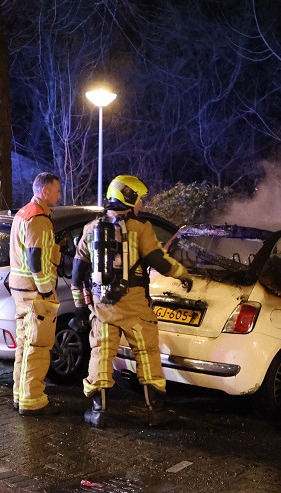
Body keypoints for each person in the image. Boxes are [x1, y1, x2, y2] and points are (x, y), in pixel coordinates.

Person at [70, 175, 193, 427]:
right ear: (129, 197)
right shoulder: (140, 228)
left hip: (102, 305)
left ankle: (99, 411)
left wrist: (82, 307)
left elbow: (77, 271)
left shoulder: (91, 228)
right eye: (140, 199)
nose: (142, 205)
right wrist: (183, 274)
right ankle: (156, 412)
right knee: (147, 354)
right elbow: (159, 260)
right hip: (135, 305)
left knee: (101, 355)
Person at [9, 172, 63, 416]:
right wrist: (47, 292)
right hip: (34, 292)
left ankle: (20, 395)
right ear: (44, 191)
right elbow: (36, 260)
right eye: (57, 190)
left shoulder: (23, 213)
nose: (60, 195)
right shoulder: (39, 218)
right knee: (38, 345)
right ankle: (33, 400)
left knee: (25, 343)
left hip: (21, 289)